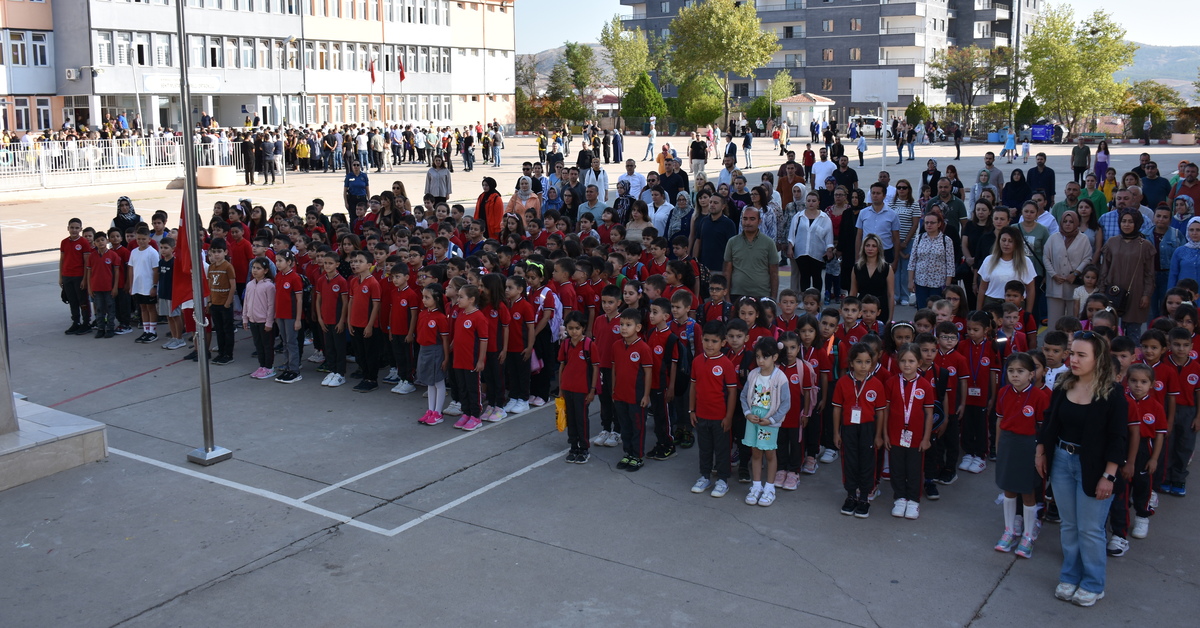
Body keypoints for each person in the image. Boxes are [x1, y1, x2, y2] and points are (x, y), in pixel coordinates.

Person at [1036, 331, 1127, 607]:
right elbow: (1050, 419)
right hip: (1061, 460)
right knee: (1069, 525)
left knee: (1090, 529)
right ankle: (1070, 576)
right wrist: (1041, 451)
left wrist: (1109, 475)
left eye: (1081, 355)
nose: (1073, 359)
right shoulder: (1064, 383)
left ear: (1097, 359)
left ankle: (1093, 584)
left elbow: (1118, 438)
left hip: (1095, 467)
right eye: (1072, 353)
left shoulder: (1112, 393)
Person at [993, 353, 1050, 557]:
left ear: (1031, 374)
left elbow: (1043, 428)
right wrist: (998, 447)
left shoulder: (1039, 397)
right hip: (1008, 444)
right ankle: (1009, 531)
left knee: (1027, 492)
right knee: (1008, 489)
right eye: (1011, 371)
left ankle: (1028, 535)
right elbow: (1000, 421)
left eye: (1020, 371)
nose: (1015, 375)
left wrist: (1040, 453)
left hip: (1028, 446)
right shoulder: (1003, 393)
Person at [833, 342, 887, 518]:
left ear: (872, 363)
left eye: (867, 362)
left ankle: (864, 497)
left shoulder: (877, 384)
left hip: (868, 428)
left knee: (867, 462)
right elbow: (837, 409)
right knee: (849, 461)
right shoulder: (843, 382)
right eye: (859, 361)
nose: (863, 366)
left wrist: (878, 435)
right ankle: (850, 495)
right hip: (848, 428)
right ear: (851, 363)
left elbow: (880, 412)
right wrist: (836, 432)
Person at [885, 343, 935, 520]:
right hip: (894, 434)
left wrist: (926, 438)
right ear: (898, 362)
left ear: (919, 363)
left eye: (911, 361)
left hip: (917, 437)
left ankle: (913, 500)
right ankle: (900, 498)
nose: (907, 365)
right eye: (903, 361)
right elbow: (886, 411)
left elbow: (929, 414)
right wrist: (885, 434)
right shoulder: (891, 383)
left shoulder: (925, 385)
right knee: (897, 467)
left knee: (914, 469)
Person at [741, 337, 791, 507]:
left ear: (775, 357)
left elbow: (786, 403)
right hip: (753, 420)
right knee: (755, 453)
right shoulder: (753, 374)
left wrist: (771, 419)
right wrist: (748, 414)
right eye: (758, 357)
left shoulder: (780, 378)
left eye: (765, 357)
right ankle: (756, 486)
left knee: (769, 453)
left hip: (769, 422)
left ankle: (769, 488)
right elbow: (744, 396)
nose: (760, 360)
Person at [1100, 210, 1156, 336]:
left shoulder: (1145, 245)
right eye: (1124, 221)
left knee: (1132, 334)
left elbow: (1149, 274)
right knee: (1112, 331)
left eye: (1130, 222)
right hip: (1113, 292)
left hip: (1136, 293)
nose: (1126, 225)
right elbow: (1104, 269)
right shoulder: (1112, 242)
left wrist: (1146, 294)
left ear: (1137, 223)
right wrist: (1102, 291)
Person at [1043, 210, 1094, 326]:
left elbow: (1087, 258)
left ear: (1076, 223)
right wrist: (1053, 275)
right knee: (1054, 323)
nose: (1068, 224)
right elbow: (1046, 257)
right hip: (1055, 285)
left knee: (1073, 321)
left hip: (1074, 285)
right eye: (1065, 221)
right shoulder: (1053, 238)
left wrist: (1076, 273)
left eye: (1071, 222)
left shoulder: (1083, 239)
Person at [724, 207, 780, 300]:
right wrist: (727, 298)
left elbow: (774, 273)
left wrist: (773, 299)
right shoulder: (732, 242)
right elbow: (727, 272)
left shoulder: (769, 243)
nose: (748, 222)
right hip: (737, 294)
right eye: (745, 219)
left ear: (759, 221)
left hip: (761, 294)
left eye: (752, 219)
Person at [978, 226, 1036, 311]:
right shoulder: (989, 260)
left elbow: (1030, 290)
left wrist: (1028, 313)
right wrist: (979, 311)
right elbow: (982, 288)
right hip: (992, 304)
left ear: (1016, 243)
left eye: (1010, 241)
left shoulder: (1025, 262)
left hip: (1015, 305)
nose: (1006, 244)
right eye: (1003, 240)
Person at [787, 191, 835, 294]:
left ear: (818, 202)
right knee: (804, 276)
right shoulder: (798, 216)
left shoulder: (824, 218)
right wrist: (790, 247)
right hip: (801, 252)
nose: (811, 203)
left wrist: (829, 249)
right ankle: (805, 298)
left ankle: (816, 298)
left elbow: (829, 235)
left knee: (817, 276)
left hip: (818, 253)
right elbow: (792, 233)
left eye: (813, 201)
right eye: (808, 201)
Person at [907, 210, 956, 307]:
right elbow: (912, 261)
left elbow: (950, 264)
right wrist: (910, 281)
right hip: (920, 281)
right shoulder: (919, 238)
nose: (929, 225)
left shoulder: (946, 240)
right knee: (922, 309)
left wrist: (947, 283)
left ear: (939, 224)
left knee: (937, 309)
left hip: (938, 283)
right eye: (926, 222)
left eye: (932, 222)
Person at [242, 258, 276, 379]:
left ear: (265, 270)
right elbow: (246, 302)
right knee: (258, 344)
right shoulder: (250, 285)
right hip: (253, 320)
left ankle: (269, 367)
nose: (255, 271)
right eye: (253, 268)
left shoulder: (269, 286)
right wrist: (245, 318)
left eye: (258, 268)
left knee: (267, 345)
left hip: (264, 321)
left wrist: (269, 322)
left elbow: (271, 305)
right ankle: (262, 366)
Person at [60, 217, 94, 335]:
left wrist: (85, 279)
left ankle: (86, 322)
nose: (74, 230)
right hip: (67, 276)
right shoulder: (64, 242)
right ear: (68, 228)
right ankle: (76, 322)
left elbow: (86, 263)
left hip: (79, 276)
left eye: (76, 228)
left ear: (80, 229)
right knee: (72, 300)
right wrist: (61, 277)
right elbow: (62, 260)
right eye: (72, 228)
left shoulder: (83, 242)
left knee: (82, 301)